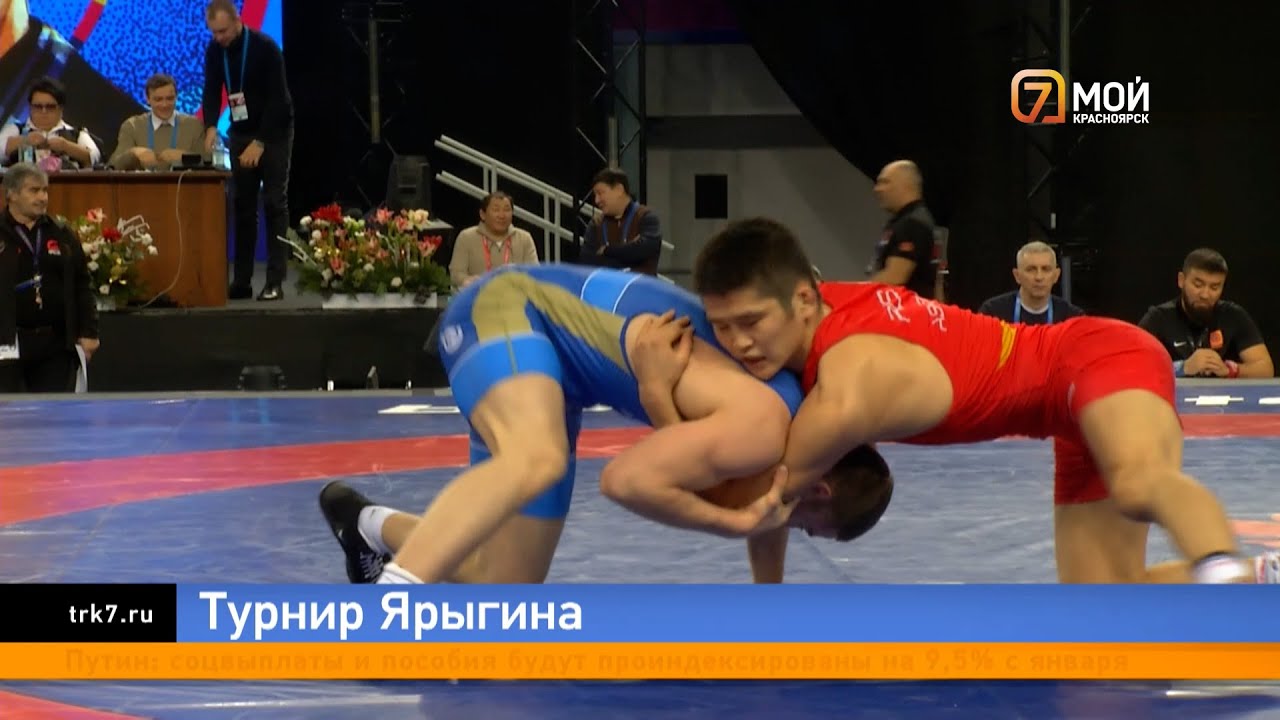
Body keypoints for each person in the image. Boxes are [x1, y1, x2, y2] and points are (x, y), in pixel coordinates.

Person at [671, 217, 1275, 584]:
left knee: (1139, 484)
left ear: (803, 300)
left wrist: (655, 387)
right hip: (1061, 413)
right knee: (1105, 604)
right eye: (723, 327)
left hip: (1094, 356)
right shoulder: (821, 300)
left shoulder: (848, 389)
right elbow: (771, 494)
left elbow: (753, 498)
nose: (739, 344)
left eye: (751, 322)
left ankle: (1221, 565)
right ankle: (1260, 579)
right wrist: (769, 609)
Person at [319, 263, 892, 585]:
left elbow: (764, 509)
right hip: (509, 309)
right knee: (536, 458)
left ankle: (366, 523)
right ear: (820, 489)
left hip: (555, 370)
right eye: (810, 526)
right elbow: (629, 481)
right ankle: (390, 613)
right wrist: (729, 523)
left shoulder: (794, 432)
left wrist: (770, 613)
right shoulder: (765, 423)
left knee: (508, 586)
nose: (790, 525)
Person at [202, 0, 294, 301]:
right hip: (241, 130)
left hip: (273, 131)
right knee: (242, 205)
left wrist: (261, 142)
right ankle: (241, 281)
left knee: (274, 202)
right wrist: (211, 126)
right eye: (214, 32)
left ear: (238, 22)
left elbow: (279, 99)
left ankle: (275, 281)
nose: (219, 37)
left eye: (223, 31)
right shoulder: (215, 50)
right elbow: (211, 89)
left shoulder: (265, 48)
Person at [0, 162, 99, 392]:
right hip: (6, 342)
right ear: (11, 194)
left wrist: (89, 331)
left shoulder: (61, 233)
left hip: (54, 344)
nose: (43, 197)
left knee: (52, 408)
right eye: (34, 190)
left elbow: (82, 285)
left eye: (45, 190)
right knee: (8, 410)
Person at [1138, 248, 1273, 379]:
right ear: (1181, 280)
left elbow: (1266, 368)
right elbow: (1133, 366)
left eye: (1214, 287)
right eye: (1198, 285)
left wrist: (1230, 370)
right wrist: (1182, 368)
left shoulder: (1233, 315)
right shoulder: (1158, 318)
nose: (1205, 295)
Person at [109, 73, 208, 171]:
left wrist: (183, 157)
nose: (164, 105)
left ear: (176, 97)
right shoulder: (132, 126)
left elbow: (207, 163)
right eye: (158, 99)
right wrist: (133, 153)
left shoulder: (194, 125)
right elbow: (113, 166)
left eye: (170, 98)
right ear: (147, 99)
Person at [977, 240, 1084, 326]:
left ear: (1056, 275)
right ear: (1017, 276)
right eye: (1031, 269)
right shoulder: (992, 313)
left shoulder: (1073, 318)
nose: (1039, 277)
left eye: (1046, 269)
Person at [448, 192, 539, 290]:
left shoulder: (524, 238)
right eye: (496, 210)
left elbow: (535, 273)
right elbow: (456, 273)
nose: (502, 215)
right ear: (482, 214)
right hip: (479, 296)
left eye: (507, 210)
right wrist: (466, 280)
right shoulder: (466, 237)